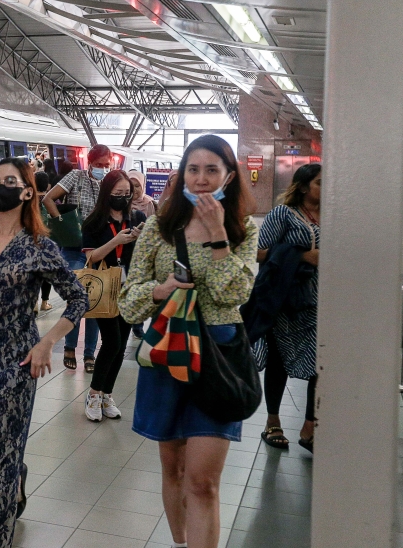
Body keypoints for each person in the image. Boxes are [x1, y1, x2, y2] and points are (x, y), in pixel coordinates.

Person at [119, 134, 257, 548]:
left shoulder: (243, 231)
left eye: (212, 170)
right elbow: (128, 303)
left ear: (229, 176)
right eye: (193, 170)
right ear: (182, 175)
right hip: (168, 351)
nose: (201, 179)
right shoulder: (160, 230)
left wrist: (217, 236)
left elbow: (234, 294)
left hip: (218, 356)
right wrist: (159, 291)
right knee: (174, 467)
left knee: (202, 482)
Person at [0, 158, 87, 548]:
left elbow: (78, 297)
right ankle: (16, 477)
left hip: (16, 364)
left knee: (0, 470)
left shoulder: (40, 247)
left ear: (28, 192)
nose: (0, 186)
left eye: (10, 181)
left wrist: (47, 343)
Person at [255, 163, 321, 453]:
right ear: (305, 186)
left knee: (322, 364)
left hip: (321, 302)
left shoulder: (335, 216)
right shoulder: (283, 214)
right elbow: (259, 253)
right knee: (279, 360)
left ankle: (310, 427)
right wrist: (303, 255)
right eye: (321, 182)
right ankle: (272, 421)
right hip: (285, 301)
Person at [42, 145, 117, 372]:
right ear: (90, 163)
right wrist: (64, 225)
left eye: (107, 165)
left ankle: (89, 353)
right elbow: (48, 199)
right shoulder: (75, 176)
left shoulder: (109, 183)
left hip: (99, 248)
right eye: (99, 165)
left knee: (94, 302)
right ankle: (69, 346)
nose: (103, 169)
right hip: (75, 248)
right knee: (77, 298)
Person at [81, 170, 147, 422]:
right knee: (112, 342)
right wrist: (116, 240)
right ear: (106, 193)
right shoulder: (94, 222)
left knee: (120, 346)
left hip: (130, 289)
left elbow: (144, 254)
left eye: (126, 194)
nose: (122, 198)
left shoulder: (136, 217)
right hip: (105, 287)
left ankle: (107, 394)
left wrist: (139, 240)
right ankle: (94, 394)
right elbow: (91, 257)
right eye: (117, 193)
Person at [34, 171, 54, 313]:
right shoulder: (51, 201)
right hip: (48, 243)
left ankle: (33, 304)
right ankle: (45, 302)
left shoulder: (27, 200)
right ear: (47, 185)